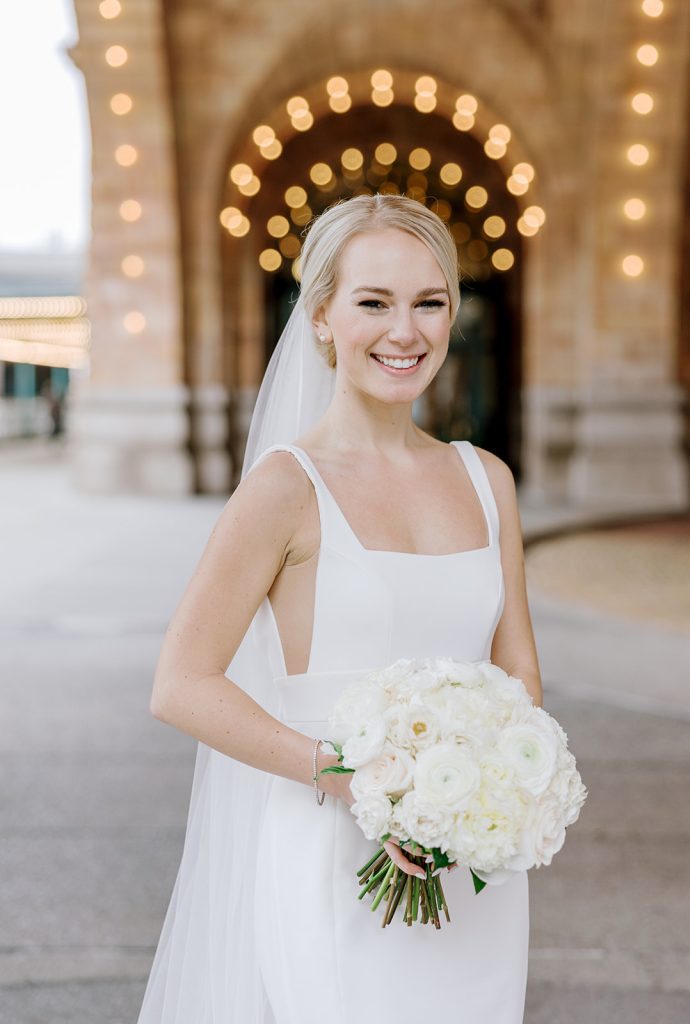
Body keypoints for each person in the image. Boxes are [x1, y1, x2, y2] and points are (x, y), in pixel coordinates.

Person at [138, 193, 543, 1023]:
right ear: (321, 315)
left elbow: (520, 674)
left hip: (471, 872)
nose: (407, 332)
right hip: (330, 856)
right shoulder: (286, 487)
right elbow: (181, 683)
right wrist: (362, 783)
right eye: (374, 303)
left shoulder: (488, 479)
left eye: (430, 303)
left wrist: (484, 794)